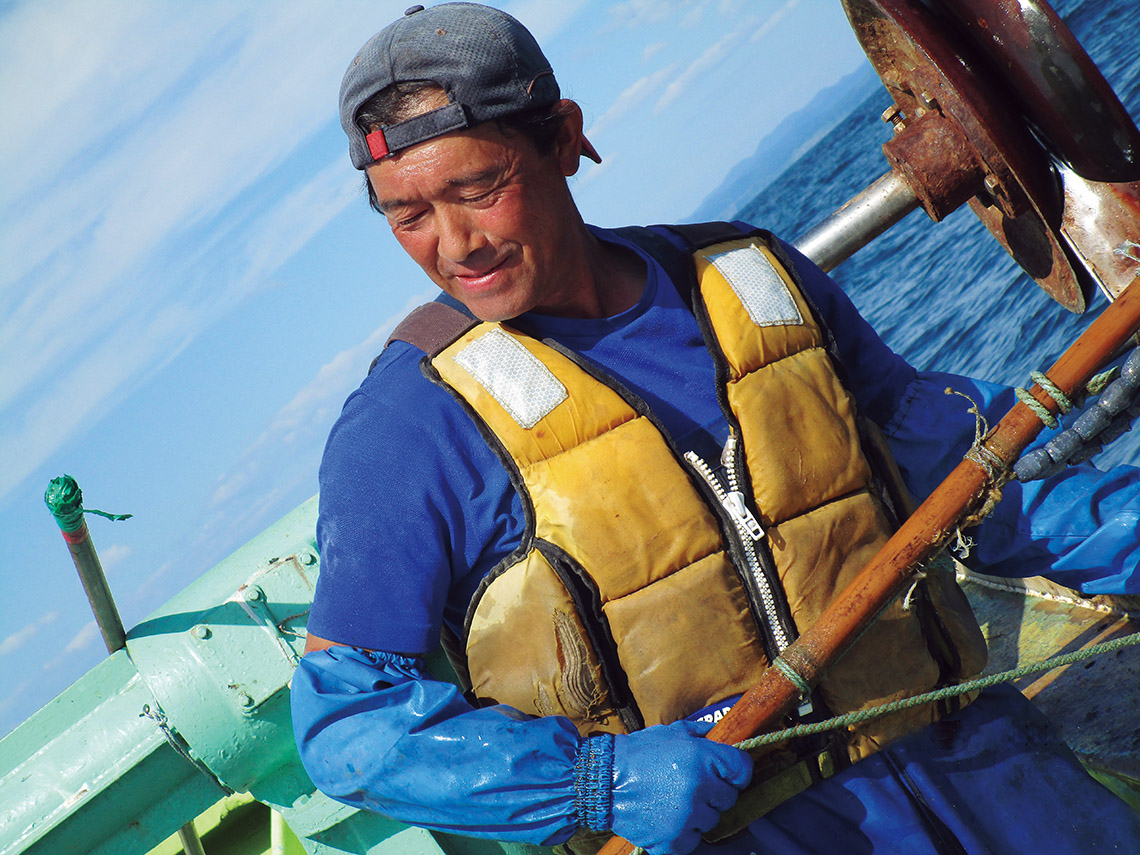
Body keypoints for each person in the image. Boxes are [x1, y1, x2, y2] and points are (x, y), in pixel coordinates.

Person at [291, 4, 1140, 853]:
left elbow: (967, 483)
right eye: (407, 215)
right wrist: (594, 782)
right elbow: (347, 718)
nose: (454, 245)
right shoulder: (404, 430)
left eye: (478, 189)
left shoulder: (754, 275)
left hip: (995, 776)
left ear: (563, 138)